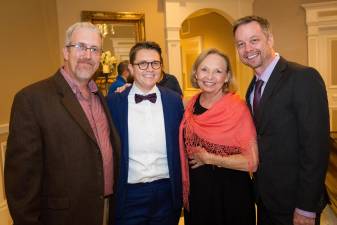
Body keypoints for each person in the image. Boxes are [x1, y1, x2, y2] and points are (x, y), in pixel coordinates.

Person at [4, 22, 121, 225]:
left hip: (106, 210)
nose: (87, 55)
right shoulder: (32, 99)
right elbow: (21, 183)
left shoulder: (100, 97)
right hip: (62, 217)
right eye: (80, 47)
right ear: (65, 52)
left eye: (94, 49)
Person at [233, 15, 330, 225]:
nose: (247, 49)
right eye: (241, 44)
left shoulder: (303, 77)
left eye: (254, 40)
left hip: (296, 202)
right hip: (265, 199)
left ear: (270, 39)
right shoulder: (252, 88)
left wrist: (306, 207)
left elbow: (316, 148)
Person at [106, 41, 184, 225]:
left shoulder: (174, 101)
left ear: (161, 67)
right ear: (131, 68)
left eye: (155, 63)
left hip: (167, 191)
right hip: (129, 194)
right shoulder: (113, 103)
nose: (150, 68)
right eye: (142, 63)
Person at [179, 48, 258, 225]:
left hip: (231, 195)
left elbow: (251, 161)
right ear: (196, 73)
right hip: (198, 194)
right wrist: (131, 86)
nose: (210, 76)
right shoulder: (189, 104)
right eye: (204, 69)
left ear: (227, 77)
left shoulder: (238, 109)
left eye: (218, 71)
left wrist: (210, 158)